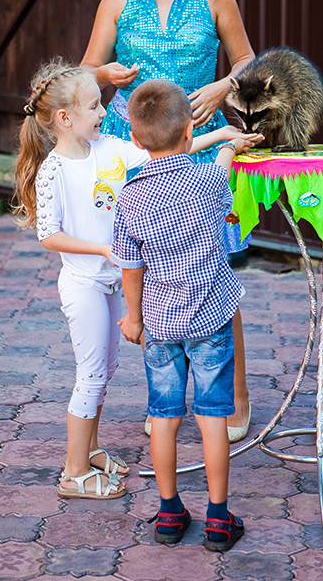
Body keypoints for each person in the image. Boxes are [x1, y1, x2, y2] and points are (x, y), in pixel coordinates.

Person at [14, 60, 255, 501]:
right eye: (94, 106)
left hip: (109, 279)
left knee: (104, 370)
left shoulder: (108, 147)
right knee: (89, 374)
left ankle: (89, 450)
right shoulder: (54, 170)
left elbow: (165, 153)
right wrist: (104, 250)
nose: (104, 112)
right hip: (85, 284)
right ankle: (72, 472)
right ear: (65, 118)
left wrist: (221, 136)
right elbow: (49, 235)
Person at [81, 0, 255, 441]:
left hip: (199, 148)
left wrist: (226, 84)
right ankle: (166, 402)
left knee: (210, 272)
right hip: (129, 153)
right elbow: (86, 70)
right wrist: (105, 76)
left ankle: (232, 398)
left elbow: (250, 59)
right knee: (138, 270)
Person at [112, 79, 251, 551]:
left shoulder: (129, 198)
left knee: (164, 416)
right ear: (190, 131)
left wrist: (133, 318)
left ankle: (170, 514)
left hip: (160, 326)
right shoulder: (210, 181)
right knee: (213, 416)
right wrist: (230, 145)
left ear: (134, 138)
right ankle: (217, 518)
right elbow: (224, 167)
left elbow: (131, 267)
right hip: (210, 319)